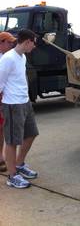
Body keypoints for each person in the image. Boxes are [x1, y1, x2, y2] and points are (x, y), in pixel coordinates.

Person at [0, 29, 39, 189]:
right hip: (12, 104)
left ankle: (19, 164)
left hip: (25, 102)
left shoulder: (21, 57)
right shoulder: (8, 59)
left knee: (31, 134)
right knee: (12, 141)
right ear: (27, 41)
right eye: (34, 42)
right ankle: (12, 176)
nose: (35, 46)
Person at [0, 32, 17, 173]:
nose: (12, 45)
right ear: (1, 42)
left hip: (4, 97)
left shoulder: (7, 57)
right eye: (9, 42)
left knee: (2, 128)